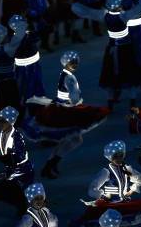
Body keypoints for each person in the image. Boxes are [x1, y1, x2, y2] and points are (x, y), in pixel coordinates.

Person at [24, 50, 109, 179]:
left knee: (74, 139)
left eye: (75, 62)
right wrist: (78, 101)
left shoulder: (65, 74)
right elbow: (74, 98)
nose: (74, 64)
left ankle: (50, 165)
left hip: (63, 109)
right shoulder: (69, 77)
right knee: (74, 139)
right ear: (65, 63)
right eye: (71, 62)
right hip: (66, 111)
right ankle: (50, 165)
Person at [0, 106, 35, 215]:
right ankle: (17, 201)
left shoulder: (17, 137)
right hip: (10, 170)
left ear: (11, 122)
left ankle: (21, 203)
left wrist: (0, 158)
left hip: (22, 170)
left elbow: (19, 156)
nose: (0, 123)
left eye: (3, 121)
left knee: (9, 185)